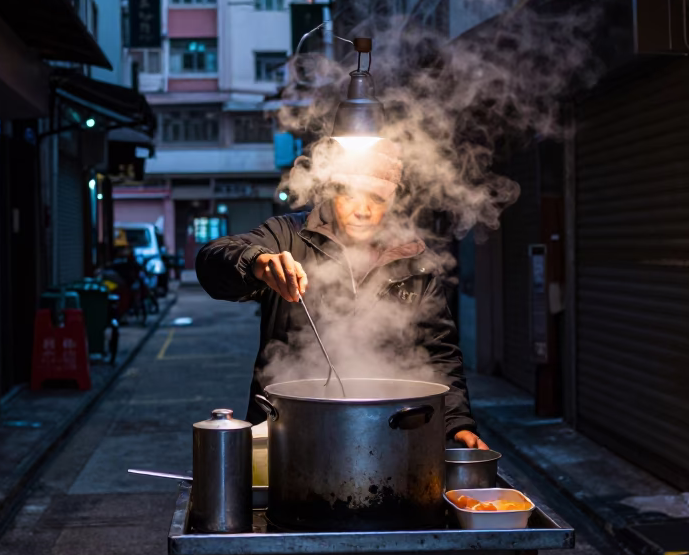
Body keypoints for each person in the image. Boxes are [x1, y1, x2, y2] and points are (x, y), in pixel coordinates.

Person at [196, 141, 488, 449]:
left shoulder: (416, 262)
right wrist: (256, 261)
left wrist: (455, 424)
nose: (362, 210)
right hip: (288, 434)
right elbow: (212, 262)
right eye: (350, 195)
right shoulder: (289, 236)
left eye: (376, 199)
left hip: (388, 437)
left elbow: (439, 353)